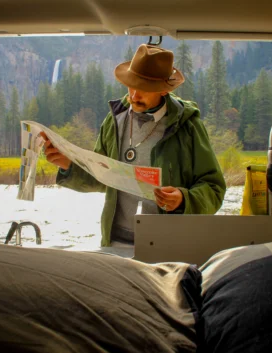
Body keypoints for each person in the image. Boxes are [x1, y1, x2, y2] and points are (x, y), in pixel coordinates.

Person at [42, 44, 226, 247]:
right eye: (131, 85)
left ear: (164, 90)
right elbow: (101, 178)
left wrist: (184, 199)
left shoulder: (188, 126)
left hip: (169, 245)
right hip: (115, 242)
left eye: (144, 89)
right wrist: (68, 165)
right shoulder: (114, 121)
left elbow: (214, 188)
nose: (134, 96)